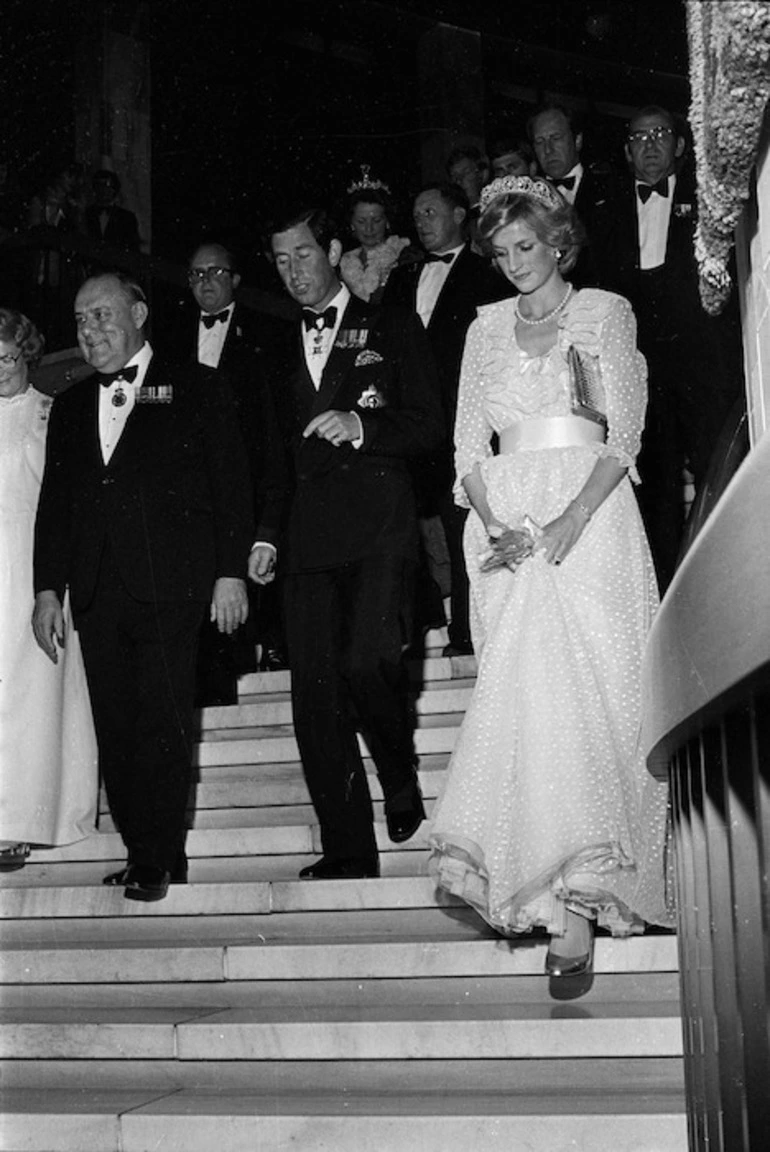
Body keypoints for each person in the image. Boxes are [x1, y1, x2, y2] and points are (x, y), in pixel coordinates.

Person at [429, 176, 673, 978]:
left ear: (558, 239)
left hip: (591, 521)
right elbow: (467, 447)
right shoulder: (483, 327)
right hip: (505, 530)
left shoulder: (606, 312)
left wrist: (570, 519)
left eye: (525, 247)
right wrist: (495, 525)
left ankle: (580, 906)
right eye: (499, 253)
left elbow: (624, 436)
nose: (513, 264)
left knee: (590, 699)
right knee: (529, 706)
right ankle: (537, 889)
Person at [32, 272, 256, 902]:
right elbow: (56, 505)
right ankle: (141, 850)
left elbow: (231, 487)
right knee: (117, 725)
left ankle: (157, 856)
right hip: (98, 590)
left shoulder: (197, 386)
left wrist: (229, 571)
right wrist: (48, 589)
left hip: (171, 586)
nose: (89, 331)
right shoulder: (72, 405)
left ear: (138, 313)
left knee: (161, 721)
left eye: (101, 316)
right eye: (79, 321)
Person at [254, 206, 443, 880]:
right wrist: (267, 536)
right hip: (307, 540)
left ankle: (398, 773)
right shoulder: (274, 348)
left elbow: (428, 423)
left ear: (332, 249)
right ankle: (347, 850)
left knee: (367, 664)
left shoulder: (390, 323)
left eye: (302, 254)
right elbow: (275, 460)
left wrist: (363, 426)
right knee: (315, 699)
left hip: (379, 528)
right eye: (279, 260)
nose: (293, 271)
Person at [597, 105, 744, 590]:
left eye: (661, 134)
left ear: (680, 145)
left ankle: (724, 581)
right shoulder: (604, 211)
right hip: (641, 371)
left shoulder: (709, 201)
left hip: (701, 366)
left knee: (715, 470)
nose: (651, 144)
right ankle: (664, 593)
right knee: (654, 486)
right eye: (639, 138)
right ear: (626, 151)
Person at [384, 182, 511, 656]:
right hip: (409, 424)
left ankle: (464, 631)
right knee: (402, 526)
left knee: (461, 524)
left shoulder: (489, 274)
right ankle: (419, 623)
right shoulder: (401, 278)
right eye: (416, 212)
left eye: (431, 210)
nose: (422, 220)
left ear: (461, 214)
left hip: (463, 419)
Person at [166, 240, 291, 696]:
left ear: (235, 279)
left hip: (252, 466)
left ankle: (273, 645)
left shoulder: (265, 331)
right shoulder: (173, 336)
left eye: (215, 272)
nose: (205, 283)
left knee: (258, 555)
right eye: (196, 274)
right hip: (194, 474)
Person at [0, 309, 97, 871]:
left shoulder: (50, 415)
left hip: (33, 572)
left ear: (27, 354)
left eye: (8, 359)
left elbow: (63, 508)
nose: (0, 371)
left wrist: (54, 587)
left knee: (31, 698)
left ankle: (24, 820)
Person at [527, 103, 613, 287]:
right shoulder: (527, 197)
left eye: (556, 138)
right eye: (540, 142)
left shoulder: (610, 189)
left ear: (578, 140)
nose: (548, 150)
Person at [339, 169, 411, 303]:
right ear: (351, 224)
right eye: (361, 221)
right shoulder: (342, 264)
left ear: (387, 221)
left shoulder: (406, 257)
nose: (369, 228)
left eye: (376, 220)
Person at [83, 170, 140, 252]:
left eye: (107, 185)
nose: (103, 190)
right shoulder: (86, 214)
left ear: (114, 189)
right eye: (99, 185)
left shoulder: (127, 218)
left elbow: (133, 249)